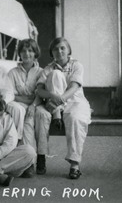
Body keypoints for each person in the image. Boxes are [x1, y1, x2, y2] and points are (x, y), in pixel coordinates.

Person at [35, 37, 91, 179]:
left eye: (62, 48)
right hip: (53, 104)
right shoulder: (48, 69)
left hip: (74, 101)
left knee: (75, 118)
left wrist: (60, 100)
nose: (59, 51)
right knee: (55, 74)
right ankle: (41, 156)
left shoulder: (76, 65)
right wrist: (52, 95)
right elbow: (39, 90)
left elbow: (74, 86)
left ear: (68, 50)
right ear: (51, 53)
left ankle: (74, 165)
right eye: (55, 49)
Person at [7, 39, 45, 176]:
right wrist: (25, 99)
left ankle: (29, 162)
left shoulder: (41, 72)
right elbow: (10, 94)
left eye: (30, 50)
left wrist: (33, 104)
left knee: (29, 120)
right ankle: (24, 162)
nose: (26, 53)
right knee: (22, 117)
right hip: (19, 106)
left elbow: (41, 94)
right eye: (23, 50)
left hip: (37, 105)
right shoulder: (12, 72)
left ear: (35, 53)